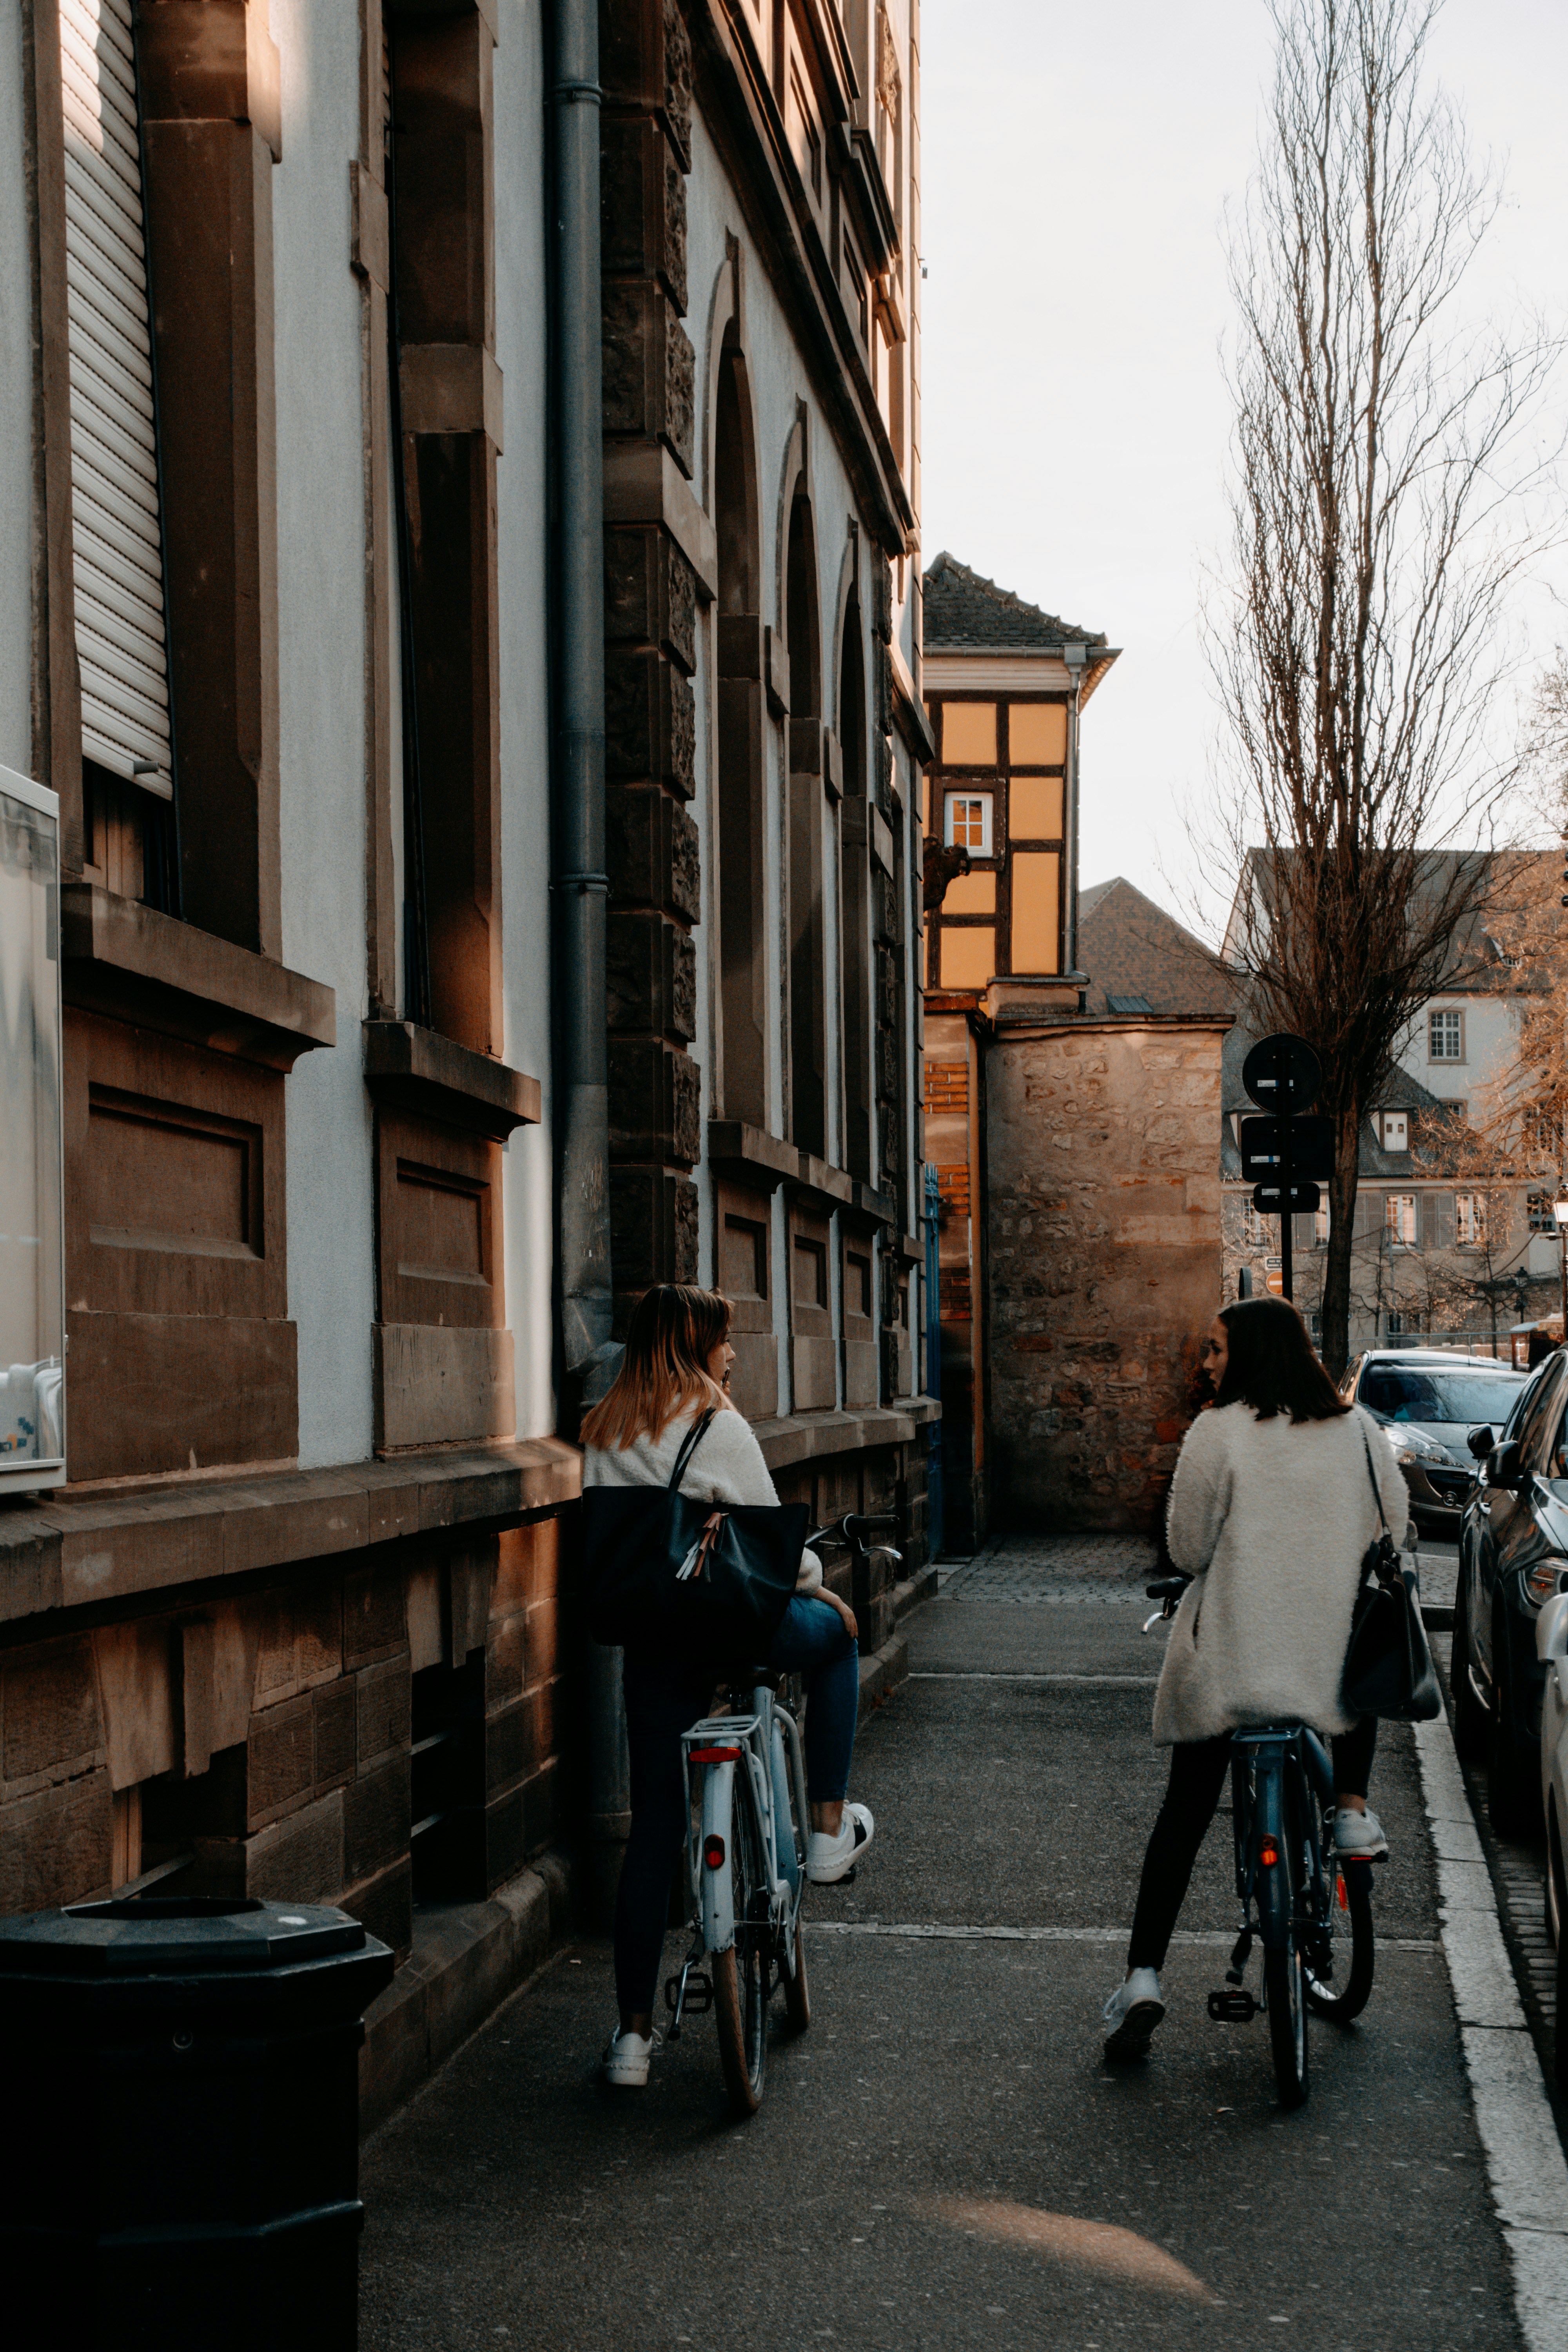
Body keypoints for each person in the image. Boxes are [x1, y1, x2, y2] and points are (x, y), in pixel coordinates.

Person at [583, 1284, 875, 2089]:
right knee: (840, 1639)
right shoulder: (717, 1423)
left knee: (652, 1834)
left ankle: (632, 2042)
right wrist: (820, 1586)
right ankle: (823, 1833)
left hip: (654, 1641)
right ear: (692, 1346)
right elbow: (775, 1547)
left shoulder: (603, 1429)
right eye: (724, 1338)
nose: (733, 1352)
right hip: (738, 1628)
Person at [1102, 1294, 1406, 2061]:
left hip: (1234, 1662)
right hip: (1324, 1666)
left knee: (1185, 1809)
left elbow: (1186, 1549)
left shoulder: (1218, 1431)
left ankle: (1142, 1977)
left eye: (1213, 1348)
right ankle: (1346, 1812)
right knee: (1348, 1664)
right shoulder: (1359, 1430)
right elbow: (1391, 1531)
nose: (1203, 1363)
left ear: (1249, 1354)